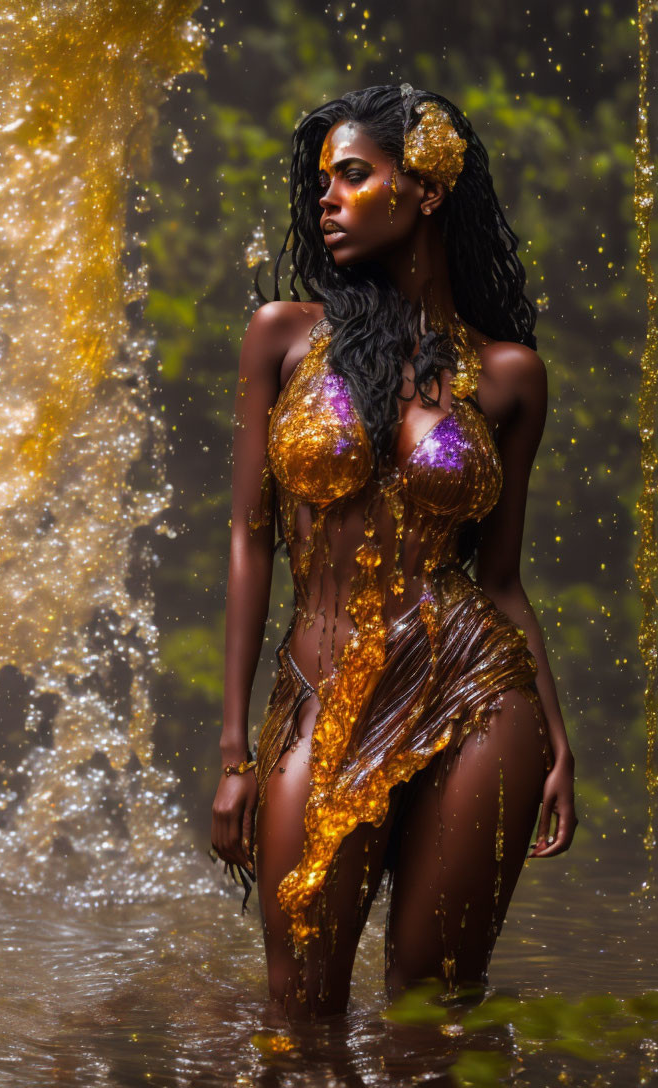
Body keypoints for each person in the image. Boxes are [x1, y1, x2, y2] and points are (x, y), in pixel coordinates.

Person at [210, 84, 576, 1017]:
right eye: (322, 183)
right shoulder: (285, 339)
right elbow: (250, 542)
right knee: (299, 1014)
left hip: (477, 694)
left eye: (353, 176)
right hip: (323, 690)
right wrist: (233, 755)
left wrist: (561, 747)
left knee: (433, 1012)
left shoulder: (508, 377)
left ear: (427, 189)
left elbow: (500, 580)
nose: (326, 199)